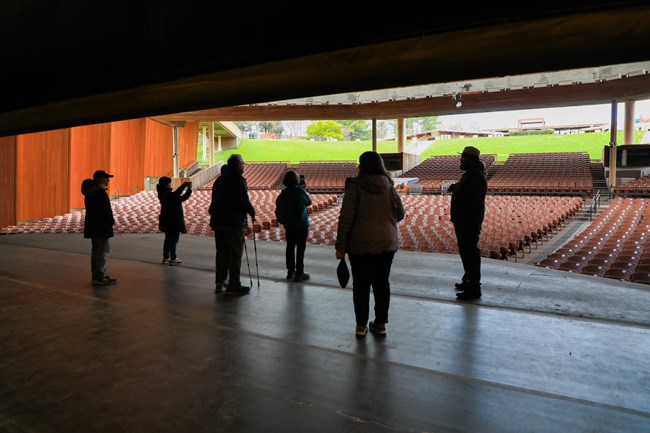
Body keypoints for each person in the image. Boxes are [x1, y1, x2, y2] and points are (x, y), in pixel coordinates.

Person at [335, 151, 405, 339]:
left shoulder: (355, 187)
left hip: (360, 245)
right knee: (382, 284)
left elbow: (346, 219)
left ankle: (361, 326)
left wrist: (340, 246)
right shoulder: (389, 186)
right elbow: (400, 214)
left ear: (362, 166)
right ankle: (381, 324)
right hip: (386, 243)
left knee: (361, 286)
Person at [208, 154, 256, 295]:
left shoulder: (220, 180)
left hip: (218, 221)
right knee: (235, 254)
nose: (243, 167)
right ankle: (234, 285)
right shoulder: (238, 180)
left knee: (221, 253)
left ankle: (220, 283)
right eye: (242, 165)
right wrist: (252, 212)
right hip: (233, 222)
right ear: (237, 165)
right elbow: (243, 200)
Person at [448, 145, 488, 300]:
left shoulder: (475, 176)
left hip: (468, 220)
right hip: (464, 219)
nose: (461, 160)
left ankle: (474, 286)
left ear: (470, 160)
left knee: (470, 251)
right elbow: (466, 190)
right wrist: (457, 187)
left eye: (463, 157)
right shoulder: (471, 174)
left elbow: (471, 199)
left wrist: (461, 214)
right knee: (466, 251)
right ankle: (468, 280)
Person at [81, 170, 118, 285]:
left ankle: (96, 275)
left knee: (96, 252)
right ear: (98, 179)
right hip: (101, 227)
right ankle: (101, 276)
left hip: (93, 226)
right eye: (105, 178)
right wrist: (111, 221)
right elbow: (105, 210)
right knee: (102, 252)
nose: (108, 180)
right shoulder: (100, 193)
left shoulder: (90, 193)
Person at [275, 170, 312, 281]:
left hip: (289, 225)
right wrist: (303, 189)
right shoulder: (300, 191)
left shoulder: (283, 193)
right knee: (300, 249)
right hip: (301, 225)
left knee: (290, 247)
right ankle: (299, 272)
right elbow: (309, 202)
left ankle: (290, 272)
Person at [156, 176, 192, 265]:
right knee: (173, 240)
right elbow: (182, 198)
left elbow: (175, 193)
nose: (170, 185)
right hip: (173, 220)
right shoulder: (169, 195)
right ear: (166, 185)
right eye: (169, 184)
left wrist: (183, 186)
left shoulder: (163, 193)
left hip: (166, 220)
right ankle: (173, 258)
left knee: (168, 239)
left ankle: (165, 258)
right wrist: (189, 189)